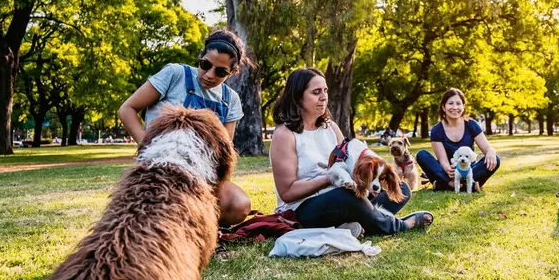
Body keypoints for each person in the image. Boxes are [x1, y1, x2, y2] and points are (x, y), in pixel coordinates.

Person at [269, 67, 433, 236]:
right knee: (348, 198)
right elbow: (287, 192)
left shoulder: (330, 127)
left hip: (341, 197)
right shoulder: (285, 134)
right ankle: (398, 226)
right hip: (303, 208)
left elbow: (349, 164)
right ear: (297, 97)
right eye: (316, 92)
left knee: (401, 189)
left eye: (325, 90)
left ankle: (350, 226)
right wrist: (329, 178)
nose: (324, 97)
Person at [119, 29, 252, 226]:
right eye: (205, 65)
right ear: (200, 56)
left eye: (220, 72)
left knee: (239, 205)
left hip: (201, 174)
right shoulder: (175, 74)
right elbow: (127, 109)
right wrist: (147, 148)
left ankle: (197, 225)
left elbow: (224, 149)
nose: (209, 75)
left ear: (232, 73)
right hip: (161, 165)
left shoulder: (230, 99)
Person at [416, 88, 500, 191]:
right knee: (422, 155)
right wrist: (448, 169)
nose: (455, 107)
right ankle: (455, 184)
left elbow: (487, 149)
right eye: (450, 103)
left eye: (458, 104)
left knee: (496, 159)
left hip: (469, 170)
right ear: (443, 107)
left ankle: (444, 185)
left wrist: (491, 151)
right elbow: (443, 160)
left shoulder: (471, 125)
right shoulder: (436, 130)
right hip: (448, 173)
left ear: (463, 106)